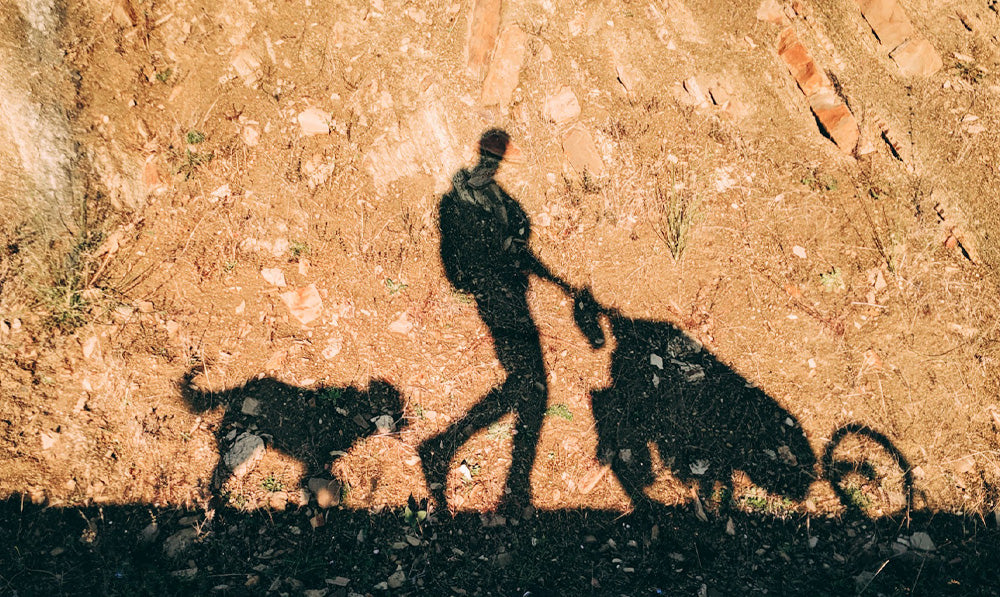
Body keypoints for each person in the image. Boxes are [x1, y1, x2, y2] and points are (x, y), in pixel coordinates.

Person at [420, 129, 577, 512]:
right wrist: (491, 273)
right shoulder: (460, 202)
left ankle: (457, 451)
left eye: (498, 164)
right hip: (497, 297)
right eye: (493, 162)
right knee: (531, 384)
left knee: (528, 383)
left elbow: (518, 251)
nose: (495, 169)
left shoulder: (493, 198)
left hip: (509, 294)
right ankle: (487, 468)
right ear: (484, 160)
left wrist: (555, 281)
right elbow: (457, 265)